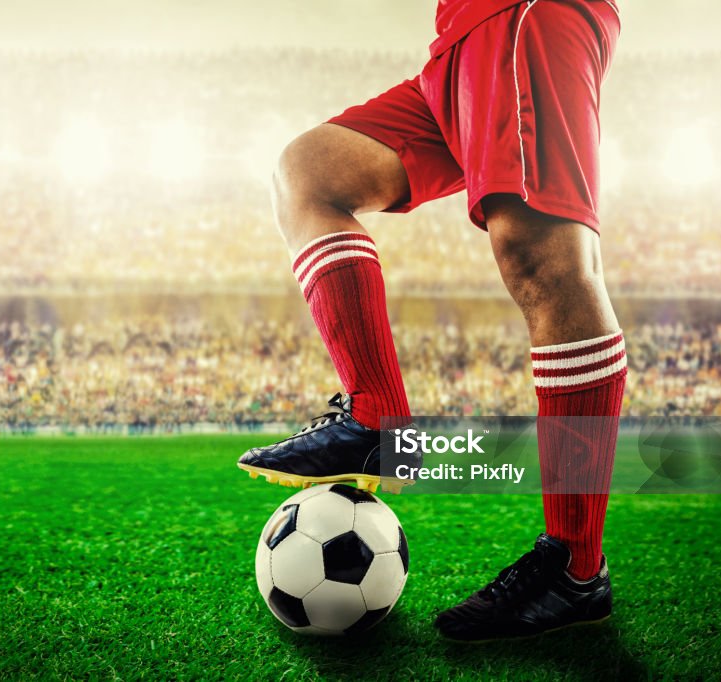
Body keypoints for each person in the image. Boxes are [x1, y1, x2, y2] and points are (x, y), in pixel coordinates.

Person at [237, 0, 626, 641]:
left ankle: (576, 569)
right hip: (456, 50)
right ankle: (376, 421)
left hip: (522, 14)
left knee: (543, 257)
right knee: (309, 173)